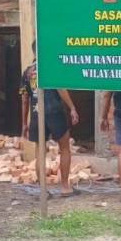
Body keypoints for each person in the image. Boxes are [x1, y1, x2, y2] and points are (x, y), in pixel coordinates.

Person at [20, 40, 80, 196]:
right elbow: (60, 88)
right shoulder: (52, 66)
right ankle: (65, 187)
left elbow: (25, 99)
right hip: (55, 112)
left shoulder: (27, 72)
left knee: (40, 152)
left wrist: (24, 123)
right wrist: (72, 107)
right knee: (65, 148)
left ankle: (43, 192)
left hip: (36, 113)